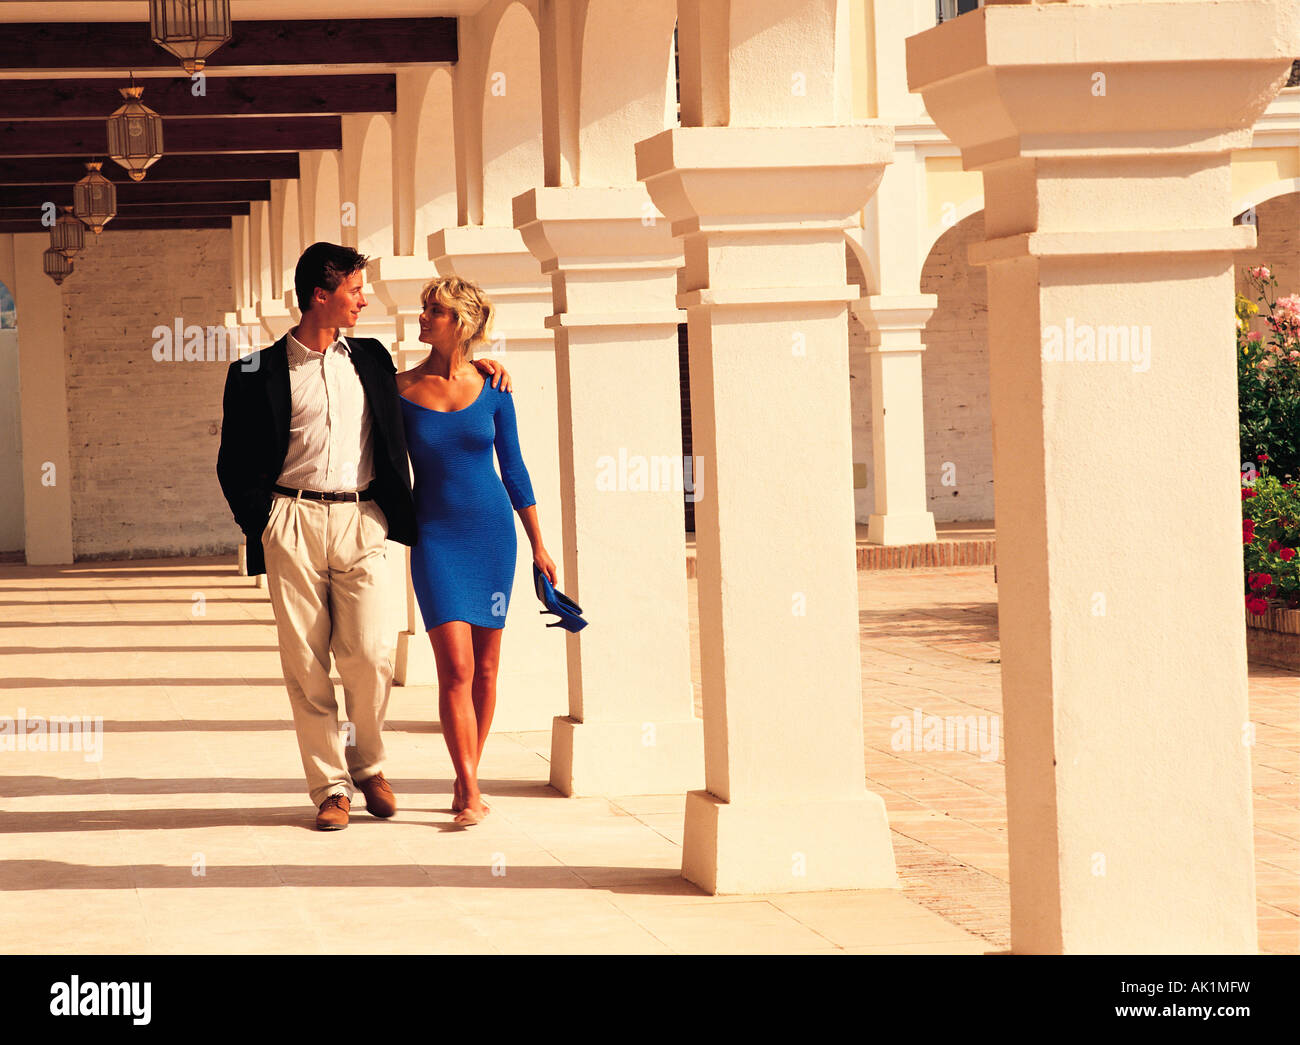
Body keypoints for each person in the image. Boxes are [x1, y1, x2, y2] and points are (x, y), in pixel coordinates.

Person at [216, 242, 512, 831]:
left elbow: (435, 382)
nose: (364, 299)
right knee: (306, 663)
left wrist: (486, 365)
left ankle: (370, 765)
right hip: (293, 521)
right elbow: (232, 462)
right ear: (320, 296)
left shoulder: (372, 359)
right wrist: (266, 520)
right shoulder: (254, 372)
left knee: (372, 653)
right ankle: (331, 788)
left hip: (365, 519)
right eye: (355, 290)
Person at [397, 276, 556, 825]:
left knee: (487, 669)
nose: (422, 318)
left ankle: (468, 779)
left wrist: (539, 544)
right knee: (456, 667)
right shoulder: (398, 389)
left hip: (492, 537)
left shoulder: (495, 389)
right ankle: (469, 791)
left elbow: (514, 469)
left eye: (432, 310)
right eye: (423, 308)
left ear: (460, 323)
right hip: (436, 538)